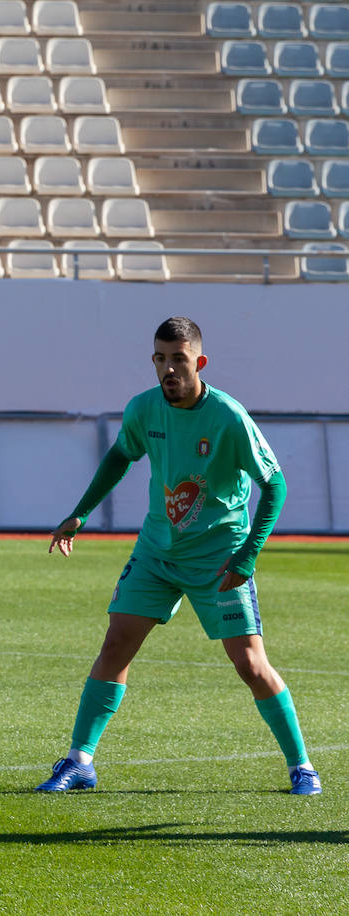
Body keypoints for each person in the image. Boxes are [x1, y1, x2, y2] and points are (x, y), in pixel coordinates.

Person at [37, 316, 319, 795]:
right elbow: (121, 455)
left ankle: (302, 766)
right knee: (115, 644)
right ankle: (79, 761)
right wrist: (80, 513)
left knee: (250, 664)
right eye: (161, 359)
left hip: (219, 559)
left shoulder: (227, 416)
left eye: (179, 360)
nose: (169, 369)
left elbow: (275, 485)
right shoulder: (144, 409)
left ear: (199, 363)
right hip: (157, 552)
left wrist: (246, 557)